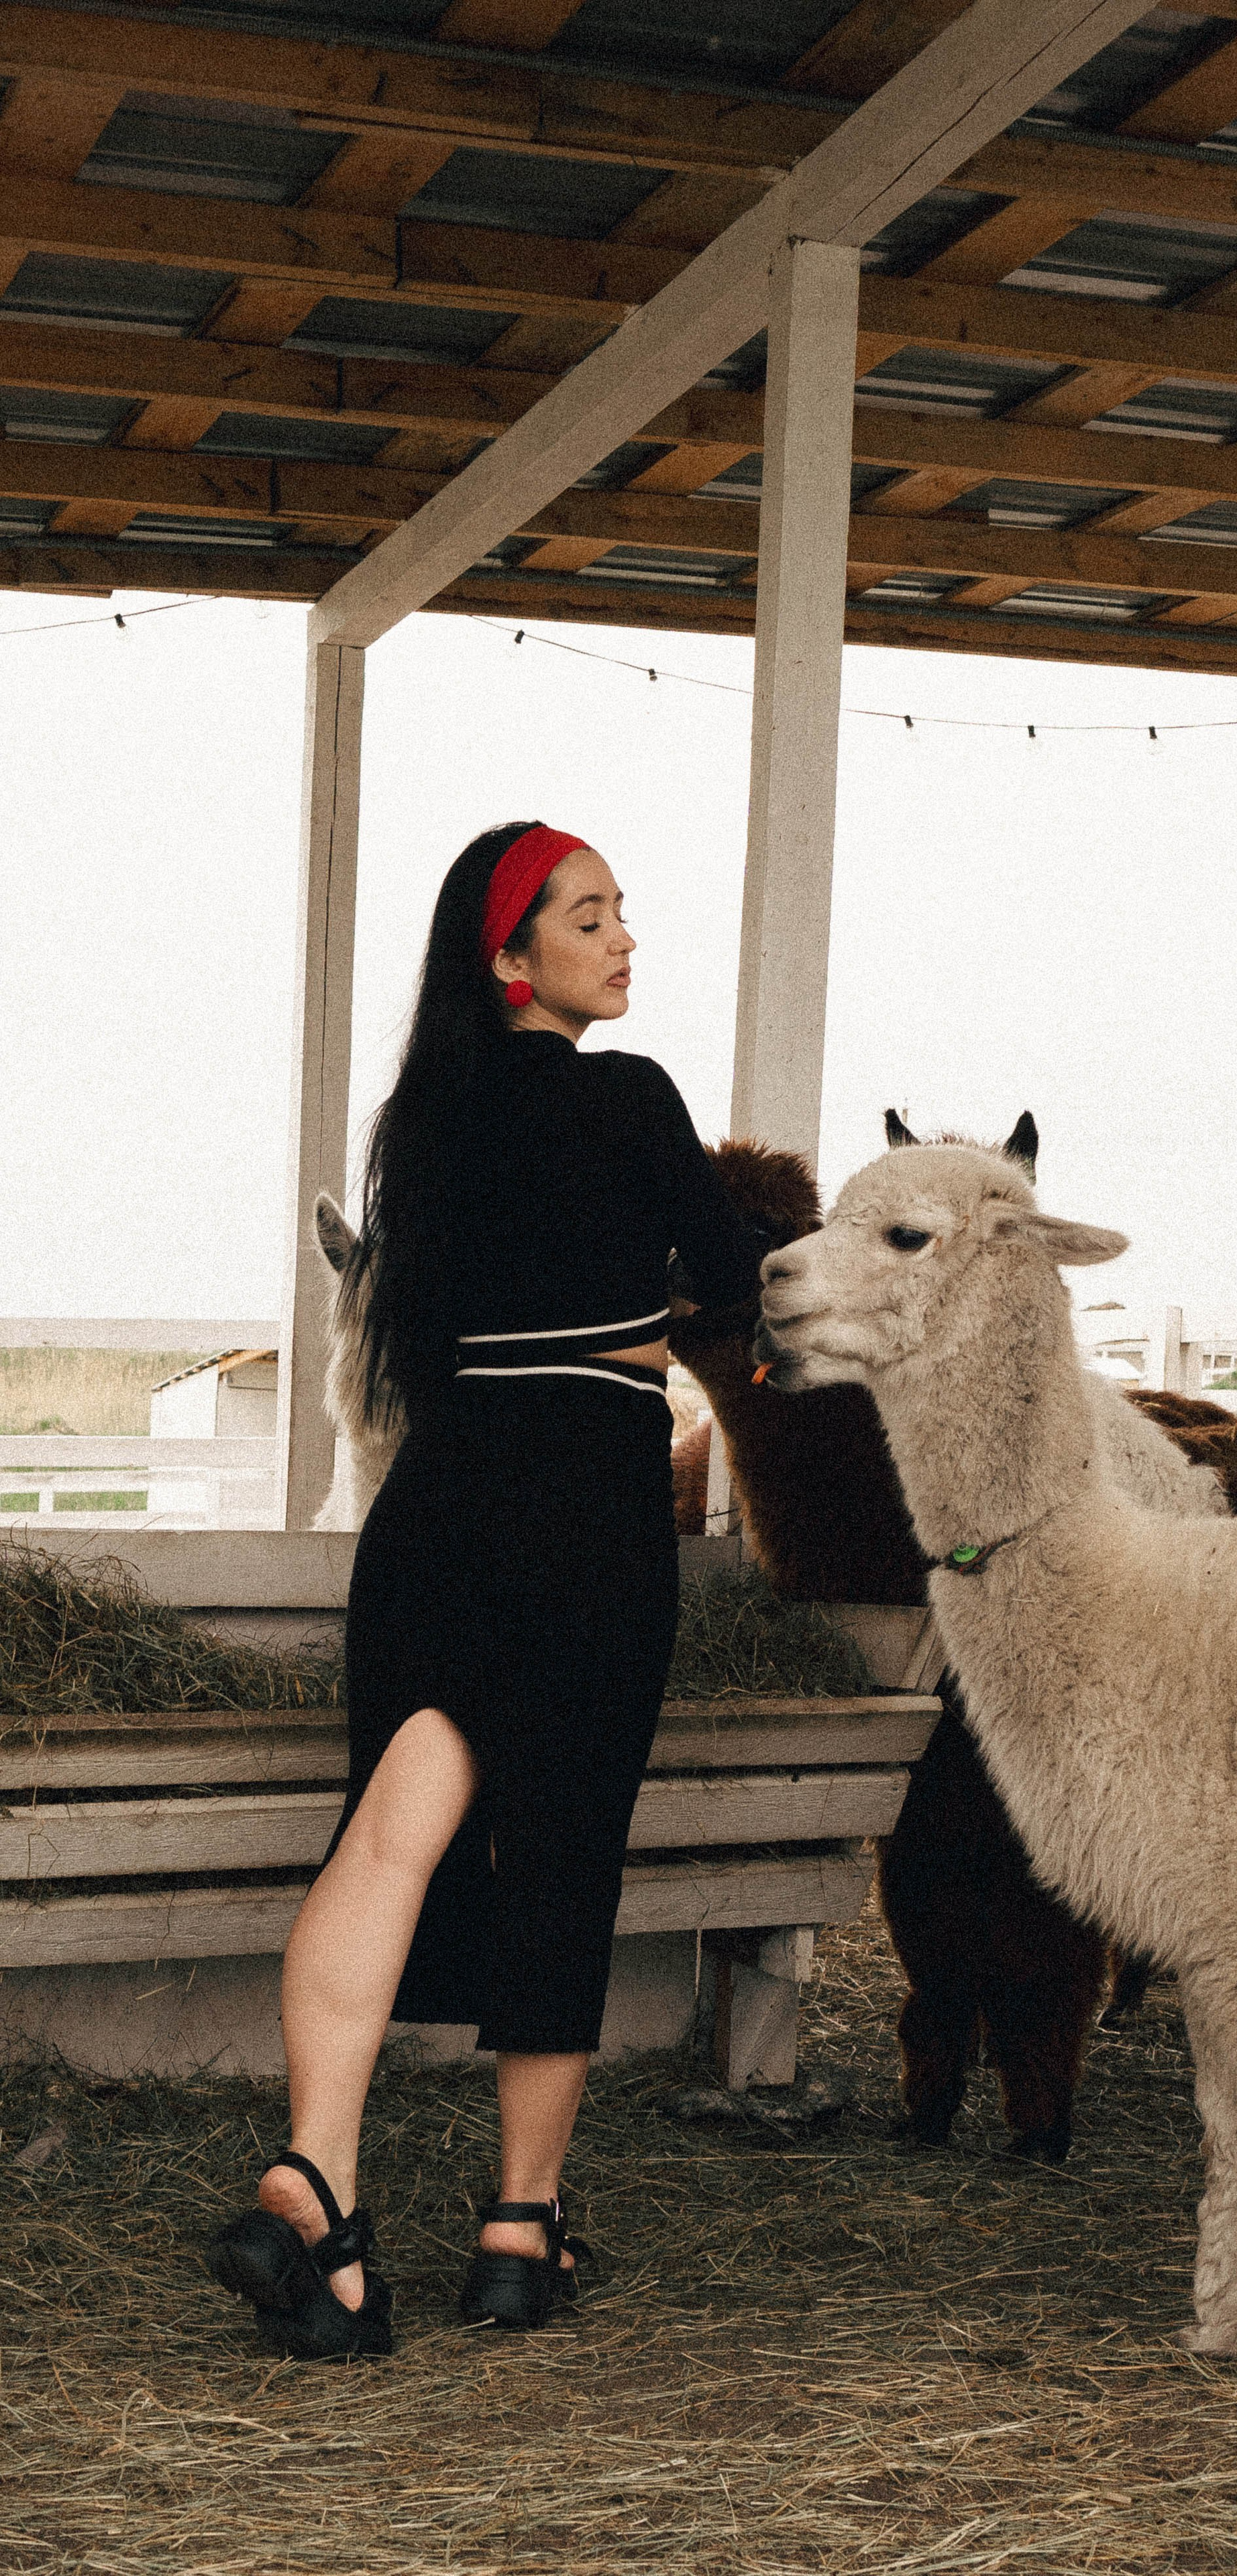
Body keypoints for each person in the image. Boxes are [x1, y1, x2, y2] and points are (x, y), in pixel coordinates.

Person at [207, 822, 762, 2357]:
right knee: (563, 1851)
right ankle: (520, 2232)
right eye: (591, 917)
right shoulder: (628, 1096)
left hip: (438, 1509)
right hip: (583, 1509)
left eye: (622, 913)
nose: (624, 939)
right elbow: (725, 1273)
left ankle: (315, 2181)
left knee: (387, 1839)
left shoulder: (421, 1117)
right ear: (510, 957)